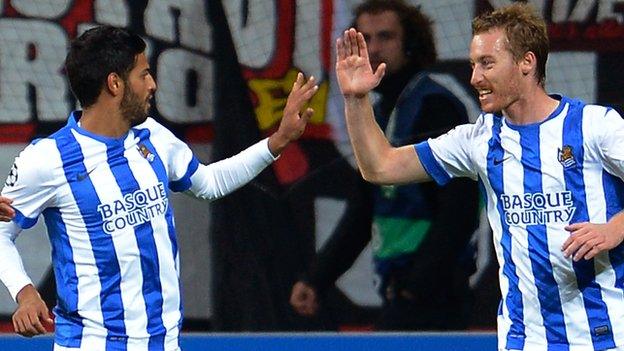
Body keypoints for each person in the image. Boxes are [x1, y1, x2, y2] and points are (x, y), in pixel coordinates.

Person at [0, 25, 317, 350]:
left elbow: (209, 183)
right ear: (115, 83)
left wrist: (279, 141)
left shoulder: (152, 136)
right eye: (144, 74)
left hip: (163, 343)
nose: (152, 84)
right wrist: (24, 293)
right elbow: (1, 233)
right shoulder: (46, 160)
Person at [336, 2, 624, 350]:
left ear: (526, 62)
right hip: (524, 341)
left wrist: (614, 228)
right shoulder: (478, 141)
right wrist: (356, 98)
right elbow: (379, 166)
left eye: (487, 63)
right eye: (473, 64)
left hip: (605, 336)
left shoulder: (595, 126)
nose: (475, 78)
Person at [290, 0, 479, 330]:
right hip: (400, 285)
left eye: (386, 37)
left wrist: (416, 287)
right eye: (365, 39)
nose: (374, 48)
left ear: (411, 44)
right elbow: (364, 210)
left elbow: (459, 211)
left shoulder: (436, 106)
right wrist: (317, 278)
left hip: (435, 293)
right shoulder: (379, 112)